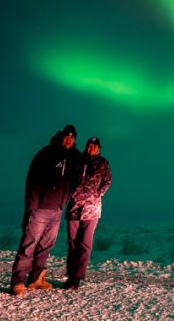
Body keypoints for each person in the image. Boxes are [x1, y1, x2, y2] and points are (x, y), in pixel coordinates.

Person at [10, 124, 80, 297]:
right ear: (61, 136)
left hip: (57, 210)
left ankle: (36, 278)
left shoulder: (75, 157)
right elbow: (33, 179)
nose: (68, 140)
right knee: (29, 244)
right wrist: (32, 206)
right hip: (39, 209)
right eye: (66, 136)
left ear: (75, 140)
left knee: (46, 246)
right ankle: (18, 280)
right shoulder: (47, 153)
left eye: (72, 137)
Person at [64, 135, 111, 290]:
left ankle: (76, 277)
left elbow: (108, 180)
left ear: (99, 148)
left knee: (85, 244)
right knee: (72, 242)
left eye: (94, 146)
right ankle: (71, 274)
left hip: (92, 210)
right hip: (74, 207)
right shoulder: (78, 160)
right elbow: (68, 178)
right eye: (89, 145)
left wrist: (98, 193)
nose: (91, 147)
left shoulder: (102, 163)